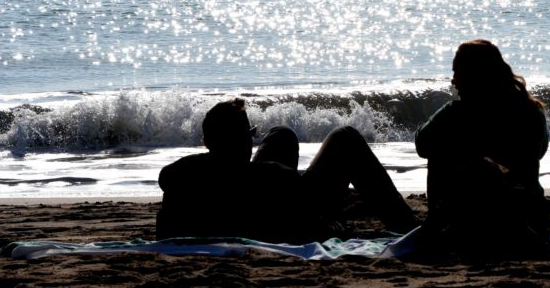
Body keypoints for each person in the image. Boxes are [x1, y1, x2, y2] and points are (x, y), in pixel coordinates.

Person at [156, 99, 417, 242]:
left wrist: (221, 161)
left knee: (281, 134)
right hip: (288, 203)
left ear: (208, 143)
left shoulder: (191, 172)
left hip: (247, 192)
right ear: (242, 141)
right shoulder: (271, 177)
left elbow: (166, 176)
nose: (252, 140)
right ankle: (409, 226)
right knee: (345, 137)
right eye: (249, 135)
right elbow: (301, 203)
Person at [415, 40, 550, 254]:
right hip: (532, 216)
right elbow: (539, 152)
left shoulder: (456, 113)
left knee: (439, 150)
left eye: (457, 73)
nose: (453, 81)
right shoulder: (531, 111)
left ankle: (438, 222)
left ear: (474, 76)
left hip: (474, 218)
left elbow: (421, 144)